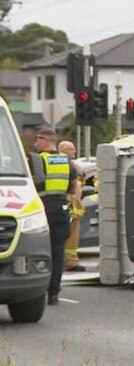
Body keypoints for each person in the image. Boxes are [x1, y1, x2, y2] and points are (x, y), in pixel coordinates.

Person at [31, 128, 76, 305]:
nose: (36, 143)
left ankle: (36, 291)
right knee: (57, 252)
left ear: (46, 140)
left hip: (42, 209)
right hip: (60, 209)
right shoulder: (66, 160)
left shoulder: (37, 160)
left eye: (38, 139)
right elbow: (73, 187)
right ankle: (54, 293)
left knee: (38, 252)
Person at [58, 140, 86, 272]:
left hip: (74, 208)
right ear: (62, 151)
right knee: (65, 236)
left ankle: (71, 261)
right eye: (71, 149)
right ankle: (68, 261)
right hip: (67, 207)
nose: (74, 151)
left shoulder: (73, 165)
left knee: (72, 237)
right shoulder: (64, 165)